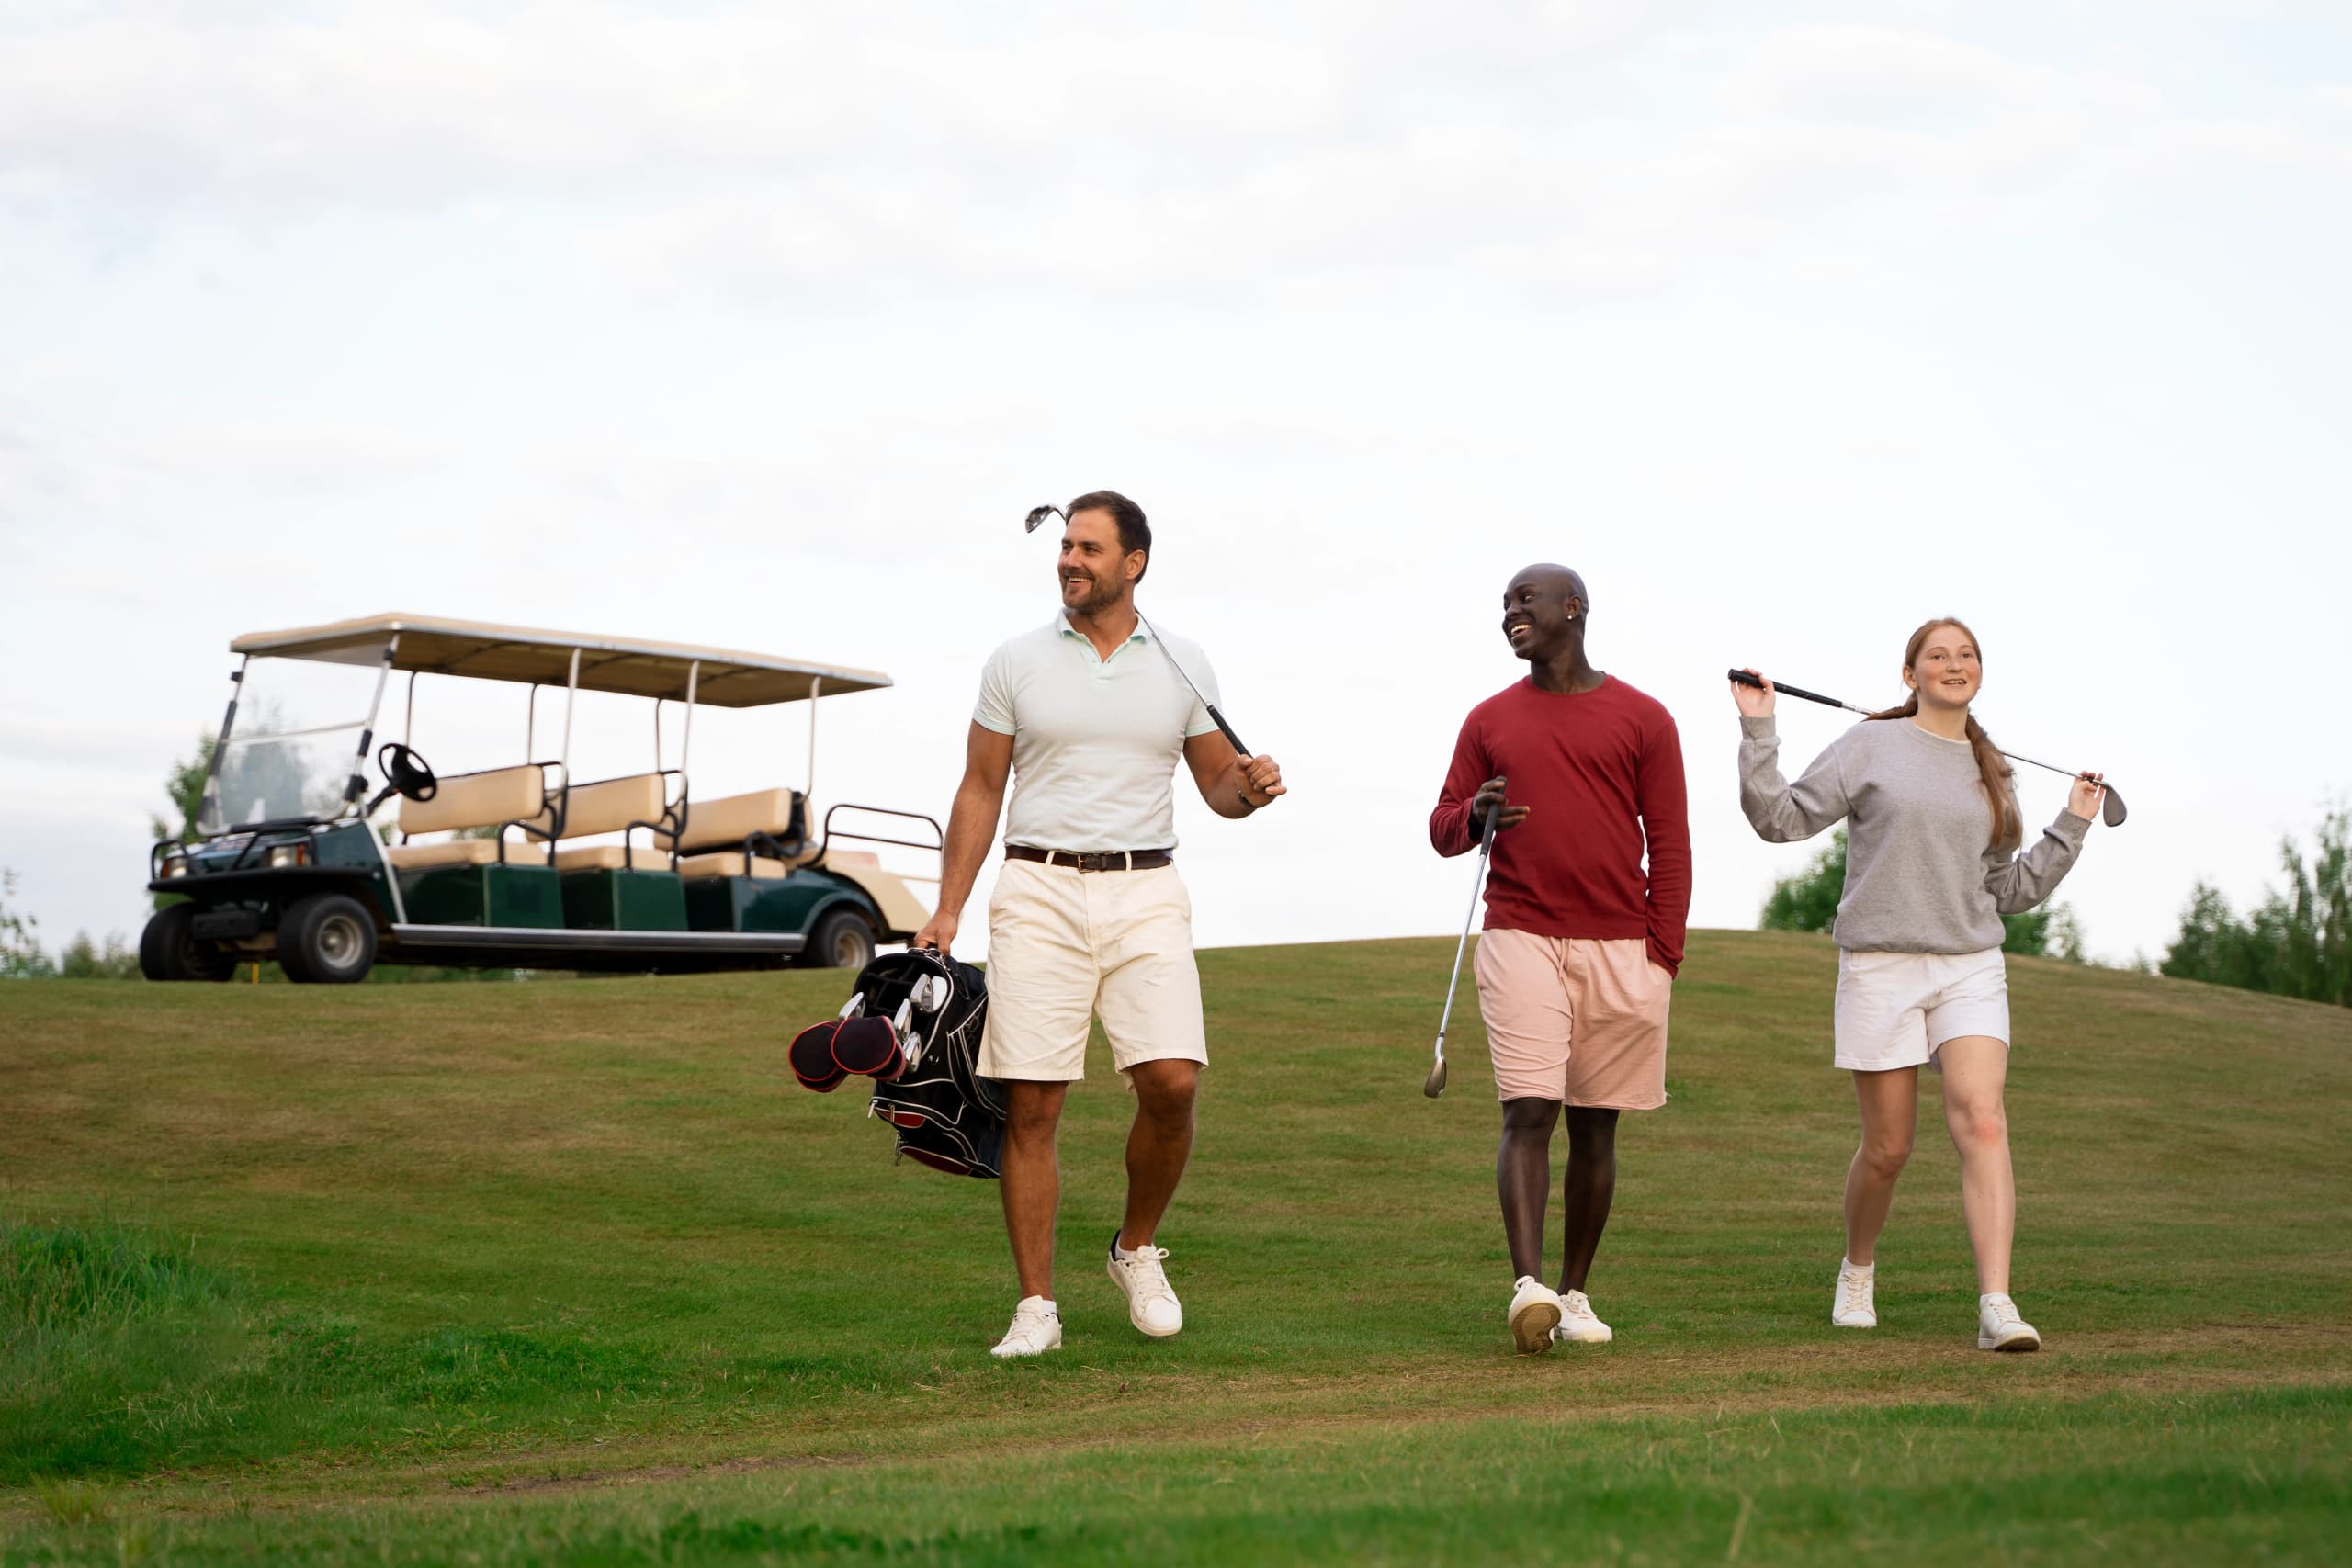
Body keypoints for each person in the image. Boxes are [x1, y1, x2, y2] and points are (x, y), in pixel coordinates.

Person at [915, 490, 1285, 1359]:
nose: (1070, 560)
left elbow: (1219, 791)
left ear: (1134, 563)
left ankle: (1134, 1246)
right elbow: (980, 786)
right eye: (1065, 547)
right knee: (1034, 1102)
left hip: (1146, 888)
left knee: (1172, 1083)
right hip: (1037, 887)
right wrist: (948, 908)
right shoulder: (1015, 660)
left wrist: (1253, 790)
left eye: (1089, 548)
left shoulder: (1184, 663)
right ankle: (1037, 1306)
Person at [1732, 617, 2104, 1352]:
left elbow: (2011, 888)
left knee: (1983, 1119)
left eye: (1967, 655)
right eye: (1938, 655)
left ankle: (1997, 1304)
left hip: (1969, 963)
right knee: (1888, 1148)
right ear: (1911, 675)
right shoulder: (1871, 744)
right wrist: (1759, 728)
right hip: (1880, 963)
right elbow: (1779, 819)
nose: (1954, 664)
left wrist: (2071, 825)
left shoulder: (1993, 768)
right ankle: (1858, 1268)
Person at [1430, 564, 1690, 1354]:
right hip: (1520, 934)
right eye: (1505, 604)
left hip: (1622, 947)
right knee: (1529, 1110)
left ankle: (1575, 1292)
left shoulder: (1645, 718)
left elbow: (1670, 842)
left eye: (1525, 601)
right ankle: (1528, 1287)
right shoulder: (1488, 719)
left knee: (1597, 1128)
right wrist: (1474, 816)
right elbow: (1443, 828)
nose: (1511, 613)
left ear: (1573, 609)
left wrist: (1662, 957)